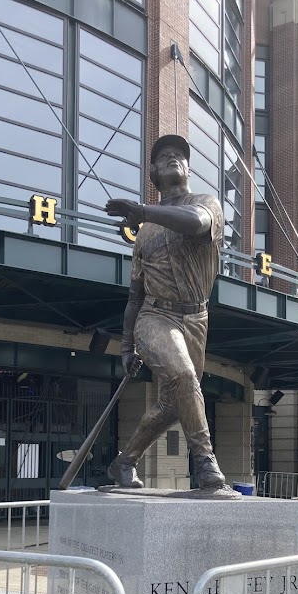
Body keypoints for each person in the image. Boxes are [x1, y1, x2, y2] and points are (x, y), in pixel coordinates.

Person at [103, 134, 227, 491]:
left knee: (175, 405)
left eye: (179, 156)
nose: (173, 159)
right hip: (155, 317)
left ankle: (124, 462)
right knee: (185, 378)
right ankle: (205, 463)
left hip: (196, 319)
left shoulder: (207, 203)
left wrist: (142, 212)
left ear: (188, 168)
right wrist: (127, 348)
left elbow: (196, 224)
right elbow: (134, 296)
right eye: (164, 157)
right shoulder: (143, 235)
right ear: (154, 174)